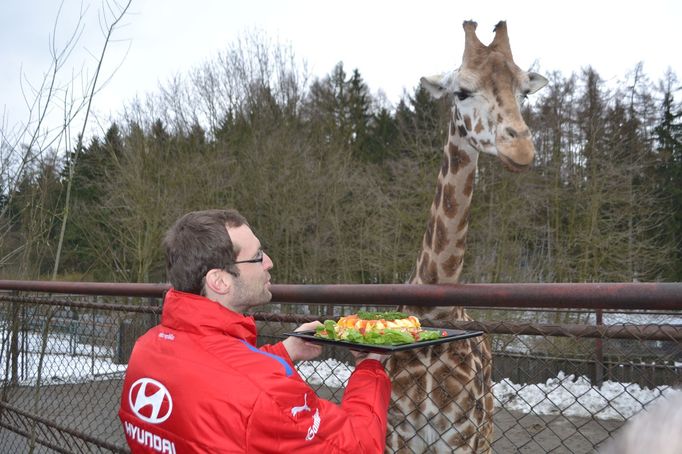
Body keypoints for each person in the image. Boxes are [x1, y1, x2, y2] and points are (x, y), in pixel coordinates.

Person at [118, 209, 391, 453]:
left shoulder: (146, 348)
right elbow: (361, 445)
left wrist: (284, 352)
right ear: (220, 281)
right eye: (258, 257)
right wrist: (369, 367)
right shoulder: (264, 392)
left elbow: (215, 373)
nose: (269, 262)